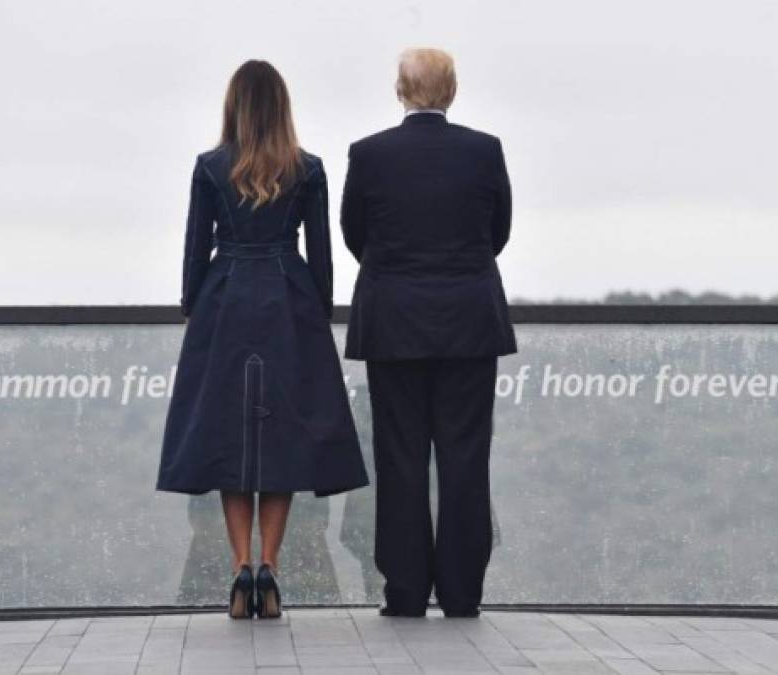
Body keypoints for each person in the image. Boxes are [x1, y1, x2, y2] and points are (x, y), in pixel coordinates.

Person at [156, 60, 369, 619]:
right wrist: (316, 309)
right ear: (281, 107)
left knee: (231, 438)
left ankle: (240, 567)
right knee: (280, 442)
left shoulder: (208, 167)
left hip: (225, 299)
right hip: (288, 299)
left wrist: (192, 308)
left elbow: (193, 251)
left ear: (234, 105)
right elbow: (320, 255)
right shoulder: (309, 168)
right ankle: (269, 568)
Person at [340, 48, 516, 618]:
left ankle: (406, 591)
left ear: (400, 89)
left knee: (400, 457)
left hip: (393, 322)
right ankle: (463, 592)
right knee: (466, 457)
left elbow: (353, 233)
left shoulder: (369, 155)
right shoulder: (483, 150)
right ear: (452, 90)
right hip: (468, 319)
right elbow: (498, 233)